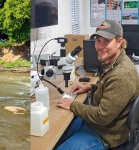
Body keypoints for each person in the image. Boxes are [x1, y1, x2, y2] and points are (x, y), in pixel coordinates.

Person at [56, 19, 139, 149]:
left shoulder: (121, 75)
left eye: (107, 41)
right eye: (98, 40)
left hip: (107, 133)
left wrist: (72, 104)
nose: (100, 47)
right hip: (98, 124)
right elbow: (109, 88)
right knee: (58, 135)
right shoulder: (113, 62)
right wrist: (90, 87)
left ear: (119, 42)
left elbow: (102, 117)